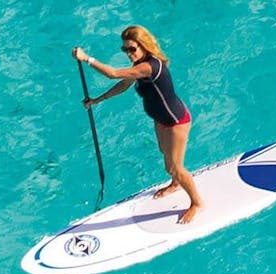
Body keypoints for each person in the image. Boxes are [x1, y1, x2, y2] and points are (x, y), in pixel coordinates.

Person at [72, 25, 203, 224]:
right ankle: (176, 184)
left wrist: (87, 58)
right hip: (161, 120)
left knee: (176, 166)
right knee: (167, 162)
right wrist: (98, 99)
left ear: (144, 46)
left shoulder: (150, 66)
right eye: (125, 50)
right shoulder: (139, 67)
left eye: (132, 49)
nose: (129, 53)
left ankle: (197, 202)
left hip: (176, 121)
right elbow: (124, 83)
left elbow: (113, 73)